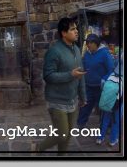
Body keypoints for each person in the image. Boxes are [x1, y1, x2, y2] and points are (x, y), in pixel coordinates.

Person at [32, 17, 87, 155]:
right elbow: (48, 76)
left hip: (72, 99)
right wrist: (70, 75)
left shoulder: (76, 49)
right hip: (57, 100)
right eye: (72, 29)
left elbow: (80, 74)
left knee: (68, 135)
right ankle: (38, 148)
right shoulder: (54, 51)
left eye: (76, 29)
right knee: (62, 134)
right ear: (63, 33)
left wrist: (83, 96)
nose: (76, 32)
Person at [77, 33, 114, 128]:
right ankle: (81, 123)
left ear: (96, 43)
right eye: (87, 43)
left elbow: (111, 69)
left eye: (90, 43)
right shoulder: (87, 54)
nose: (88, 45)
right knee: (85, 105)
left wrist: (104, 79)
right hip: (89, 85)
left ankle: (106, 126)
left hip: (101, 87)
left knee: (103, 107)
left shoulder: (105, 53)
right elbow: (83, 67)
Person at [96, 52, 123, 147]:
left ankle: (100, 138)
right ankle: (113, 140)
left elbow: (102, 85)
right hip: (118, 104)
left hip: (107, 102)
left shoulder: (110, 75)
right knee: (116, 121)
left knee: (105, 120)